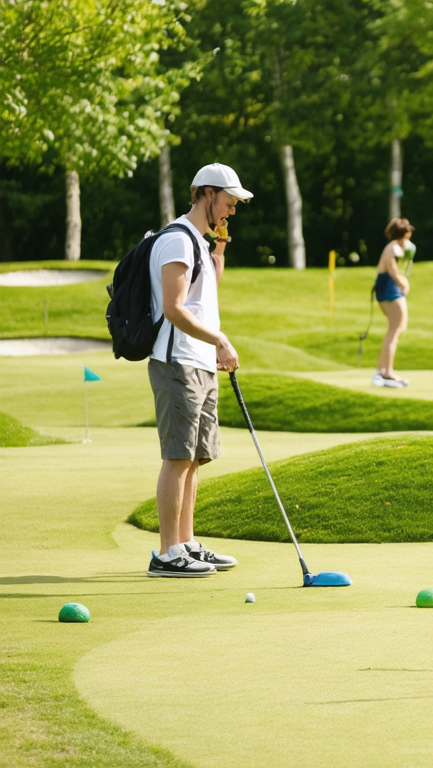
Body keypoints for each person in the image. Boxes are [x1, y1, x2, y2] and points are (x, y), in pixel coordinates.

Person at [146, 163, 249, 577]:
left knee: (194, 459)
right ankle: (166, 552)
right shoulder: (176, 241)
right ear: (207, 194)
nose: (231, 211)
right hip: (177, 361)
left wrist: (219, 246)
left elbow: (205, 294)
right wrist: (219, 340)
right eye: (228, 203)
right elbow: (174, 308)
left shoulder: (201, 243)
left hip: (200, 361)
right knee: (176, 457)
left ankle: (185, 542)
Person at [373, 218, 414, 388]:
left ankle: (381, 372)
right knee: (394, 331)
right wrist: (403, 283)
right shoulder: (392, 248)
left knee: (396, 329)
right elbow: (393, 272)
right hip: (390, 293)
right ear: (405, 233)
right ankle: (387, 373)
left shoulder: (395, 248)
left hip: (390, 292)